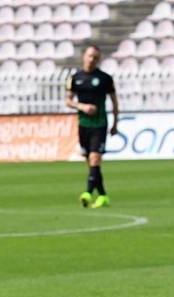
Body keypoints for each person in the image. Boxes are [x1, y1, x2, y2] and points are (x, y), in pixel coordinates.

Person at [65, 45, 119, 208]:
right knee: (91, 162)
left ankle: (87, 193)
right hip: (83, 125)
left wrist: (115, 123)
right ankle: (103, 195)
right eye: (90, 56)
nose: (92, 59)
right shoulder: (75, 78)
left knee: (95, 158)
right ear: (84, 57)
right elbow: (68, 100)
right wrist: (82, 107)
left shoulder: (105, 78)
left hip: (100, 124)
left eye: (95, 57)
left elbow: (114, 102)